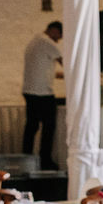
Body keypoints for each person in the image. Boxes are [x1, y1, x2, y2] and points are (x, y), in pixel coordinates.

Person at [21, 20, 63, 169]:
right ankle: (45, 160)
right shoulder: (47, 42)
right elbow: (65, 62)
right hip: (42, 93)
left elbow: (40, 69)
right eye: (59, 36)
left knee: (31, 126)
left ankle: (26, 158)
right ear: (54, 31)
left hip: (30, 90)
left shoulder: (34, 41)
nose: (59, 40)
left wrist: (58, 75)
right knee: (48, 127)